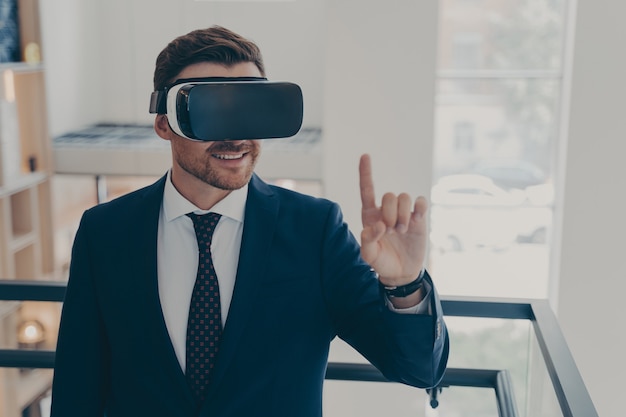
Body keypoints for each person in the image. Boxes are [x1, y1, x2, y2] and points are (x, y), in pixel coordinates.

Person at [50, 25, 449, 417]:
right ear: (163, 122)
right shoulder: (105, 232)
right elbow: (76, 389)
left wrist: (404, 285)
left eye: (251, 109)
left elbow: (417, 368)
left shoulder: (315, 230)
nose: (237, 137)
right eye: (210, 112)